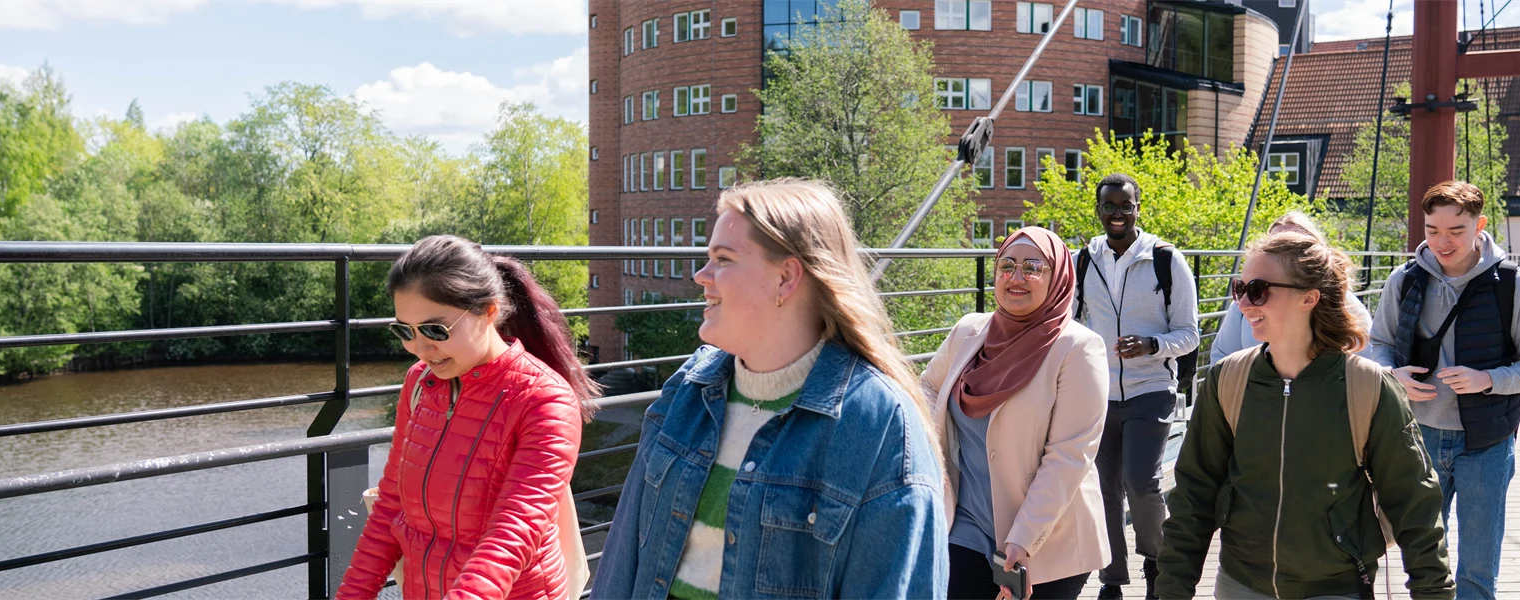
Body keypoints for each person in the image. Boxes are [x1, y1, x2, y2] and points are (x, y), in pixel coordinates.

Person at [589, 179, 948, 600]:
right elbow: (620, 564)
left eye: (723, 259)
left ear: (786, 278)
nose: (700, 275)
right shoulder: (686, 391)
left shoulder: (879, 427)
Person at [1155, 232, 1454, 600]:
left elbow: (1415, 505)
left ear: (1309, 298)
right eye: (1239, 289)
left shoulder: (1368, 386)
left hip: (1336, 587)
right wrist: (1171, 590)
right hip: (1240, 584)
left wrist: (1433, 592)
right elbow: (1193, 495)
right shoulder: (1226, 381)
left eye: (1259, 290)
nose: (1244, 304)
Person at [339, 235, 602, 600]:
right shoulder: (420, 383)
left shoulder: (544, 400)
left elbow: (512, 535)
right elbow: (391, 506)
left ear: (488, 311)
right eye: (405, 331)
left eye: (435, 330)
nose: (420, 348)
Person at [1367, 180, 1520, 600]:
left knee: (1477, 570)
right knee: (1423, 560)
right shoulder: (1404, 280)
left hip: (1486, 443)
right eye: (1432, 230)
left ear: (1480, 225)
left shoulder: (1514, 286)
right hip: (1418, 438)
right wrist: (1391, 374)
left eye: (1455, 230)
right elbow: (1377, 344)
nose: (1442, 241)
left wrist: (1488, 380)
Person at [920, 227, 1111, 600]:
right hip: (968, 524)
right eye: (1006, 265)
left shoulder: (1078, 348)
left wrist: (1023, 539)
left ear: (1056, 276)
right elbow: (927, 388)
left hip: (1049, 537)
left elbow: (1069, 455)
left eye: (1032, 267)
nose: (1017, 277)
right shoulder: (968, 332)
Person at [1072, 173, 1200, 600]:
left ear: (1138, 208)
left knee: (1141, 482)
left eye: (1125, 206)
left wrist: (1152, 345)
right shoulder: (1084, 260)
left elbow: (1191, 333)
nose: (1117, 214)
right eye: (1108, 206)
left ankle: (1155, 561)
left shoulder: (1165, 258)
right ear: (1098, 210)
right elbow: (1069, 322)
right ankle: (1111, 579)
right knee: (1103, 489)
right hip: (1098, 393)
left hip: (1151, 390)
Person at [1209, 211, 1376, 364]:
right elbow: (1222, 358)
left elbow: (1366, 365)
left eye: (1295, 246)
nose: (1245, 303)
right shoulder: (1243, 304)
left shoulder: (1349, 307)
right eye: (1274, 244)